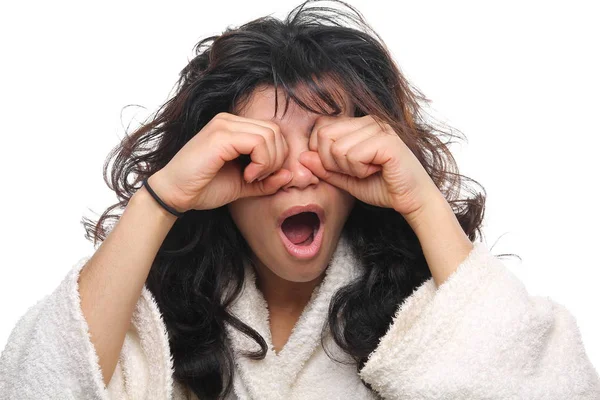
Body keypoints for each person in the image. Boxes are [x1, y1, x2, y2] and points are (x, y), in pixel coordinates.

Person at [1, 1, 599, 399]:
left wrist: (420, 199)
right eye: (258, 151)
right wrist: (164, 198)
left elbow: (551, 387)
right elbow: (39, 383)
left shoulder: (433, 314)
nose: (293, 175)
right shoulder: (153, 315)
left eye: (323, 143)